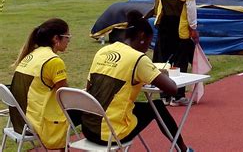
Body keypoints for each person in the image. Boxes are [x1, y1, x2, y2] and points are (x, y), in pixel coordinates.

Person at [82, 10, 193, 152]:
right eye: (148, 42)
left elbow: (90, 88)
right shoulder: (138, 58)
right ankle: (183, 149)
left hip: (88, 129)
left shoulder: (103, 51)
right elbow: (172, 89)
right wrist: (155, 72)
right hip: (110, 134)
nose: (147, 48)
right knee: (157, 106)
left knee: (137, 106)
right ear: (142, 36)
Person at [9, 18, 76, 150]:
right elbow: (65, 95)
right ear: (56, 39)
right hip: (36, 122)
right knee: (87, 111)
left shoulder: (31, 54)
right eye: (67, 37)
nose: (69, 41)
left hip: (19, 120)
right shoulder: (54, 61)